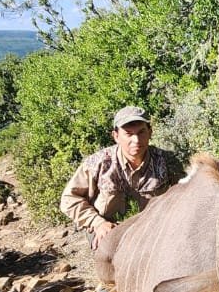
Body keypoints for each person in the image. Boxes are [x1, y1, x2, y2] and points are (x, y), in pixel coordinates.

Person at [60, 106, 182, 249]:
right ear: (116, 136)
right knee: (110, 251)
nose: (136, 140)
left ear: (150, 132)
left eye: (141, 132)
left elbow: (183, 196)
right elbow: (69, 199)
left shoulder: (167, 161)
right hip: (109, 229)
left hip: (153, 229)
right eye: (128, 134)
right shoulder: (98, 163)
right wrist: (97, 222)